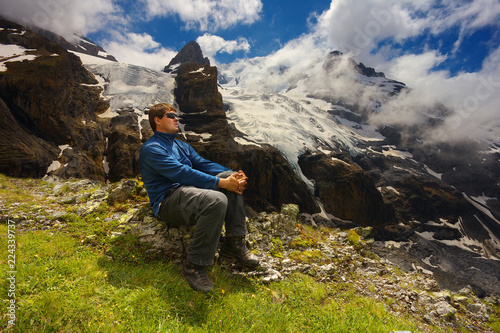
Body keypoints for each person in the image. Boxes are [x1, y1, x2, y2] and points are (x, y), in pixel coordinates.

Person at [139, 102, 259, 293]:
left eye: (176, 115)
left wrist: (232, 175)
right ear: (157, 120)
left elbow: (203, 164)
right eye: (171, 115)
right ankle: (194, 265)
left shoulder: (180, 145)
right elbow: (181, 173)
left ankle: (234, 242)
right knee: (216, 200)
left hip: (189, 193)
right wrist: (222, 183)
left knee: (229, 184)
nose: (176, 118)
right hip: (168, 201)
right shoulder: (152, 149)